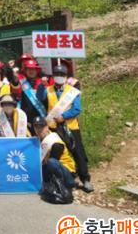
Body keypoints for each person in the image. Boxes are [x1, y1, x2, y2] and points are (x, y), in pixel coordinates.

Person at [37, 63, 93, 192]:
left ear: (66, 76)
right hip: (53, 128)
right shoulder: (48, 89)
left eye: (62, 74)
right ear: (53, 76)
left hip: (70, 127)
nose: (59, 76)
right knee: (55, 151)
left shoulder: (72, 91)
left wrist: (64, 116)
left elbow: (77, 109)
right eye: (57, 74)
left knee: (78, 152)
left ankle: (85, 179)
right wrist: (41, 85)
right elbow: (40, 97)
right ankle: (58, 178)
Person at [32, 115, 77, 191]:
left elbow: (51, 163)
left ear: (47, 127)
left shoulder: (55, 142)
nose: (39, 130)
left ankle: (69, 183)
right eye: (36, 127)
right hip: (52, 170)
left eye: (41, 127)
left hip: (67, 171)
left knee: (51, 162)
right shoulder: (38, 140)